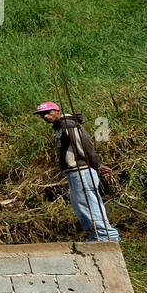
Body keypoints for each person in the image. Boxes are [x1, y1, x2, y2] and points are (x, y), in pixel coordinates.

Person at [33, 101, 118, 242]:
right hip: (75, 172)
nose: (45, 116)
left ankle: (105, 236)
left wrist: (96, 164)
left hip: (81, 171)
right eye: (42, 114)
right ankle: (97, 235)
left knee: (88, 203)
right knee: (82, 204)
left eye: (48, 112)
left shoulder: (68, 124)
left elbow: (84, 145)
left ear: (57, 111)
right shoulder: (60, 126)